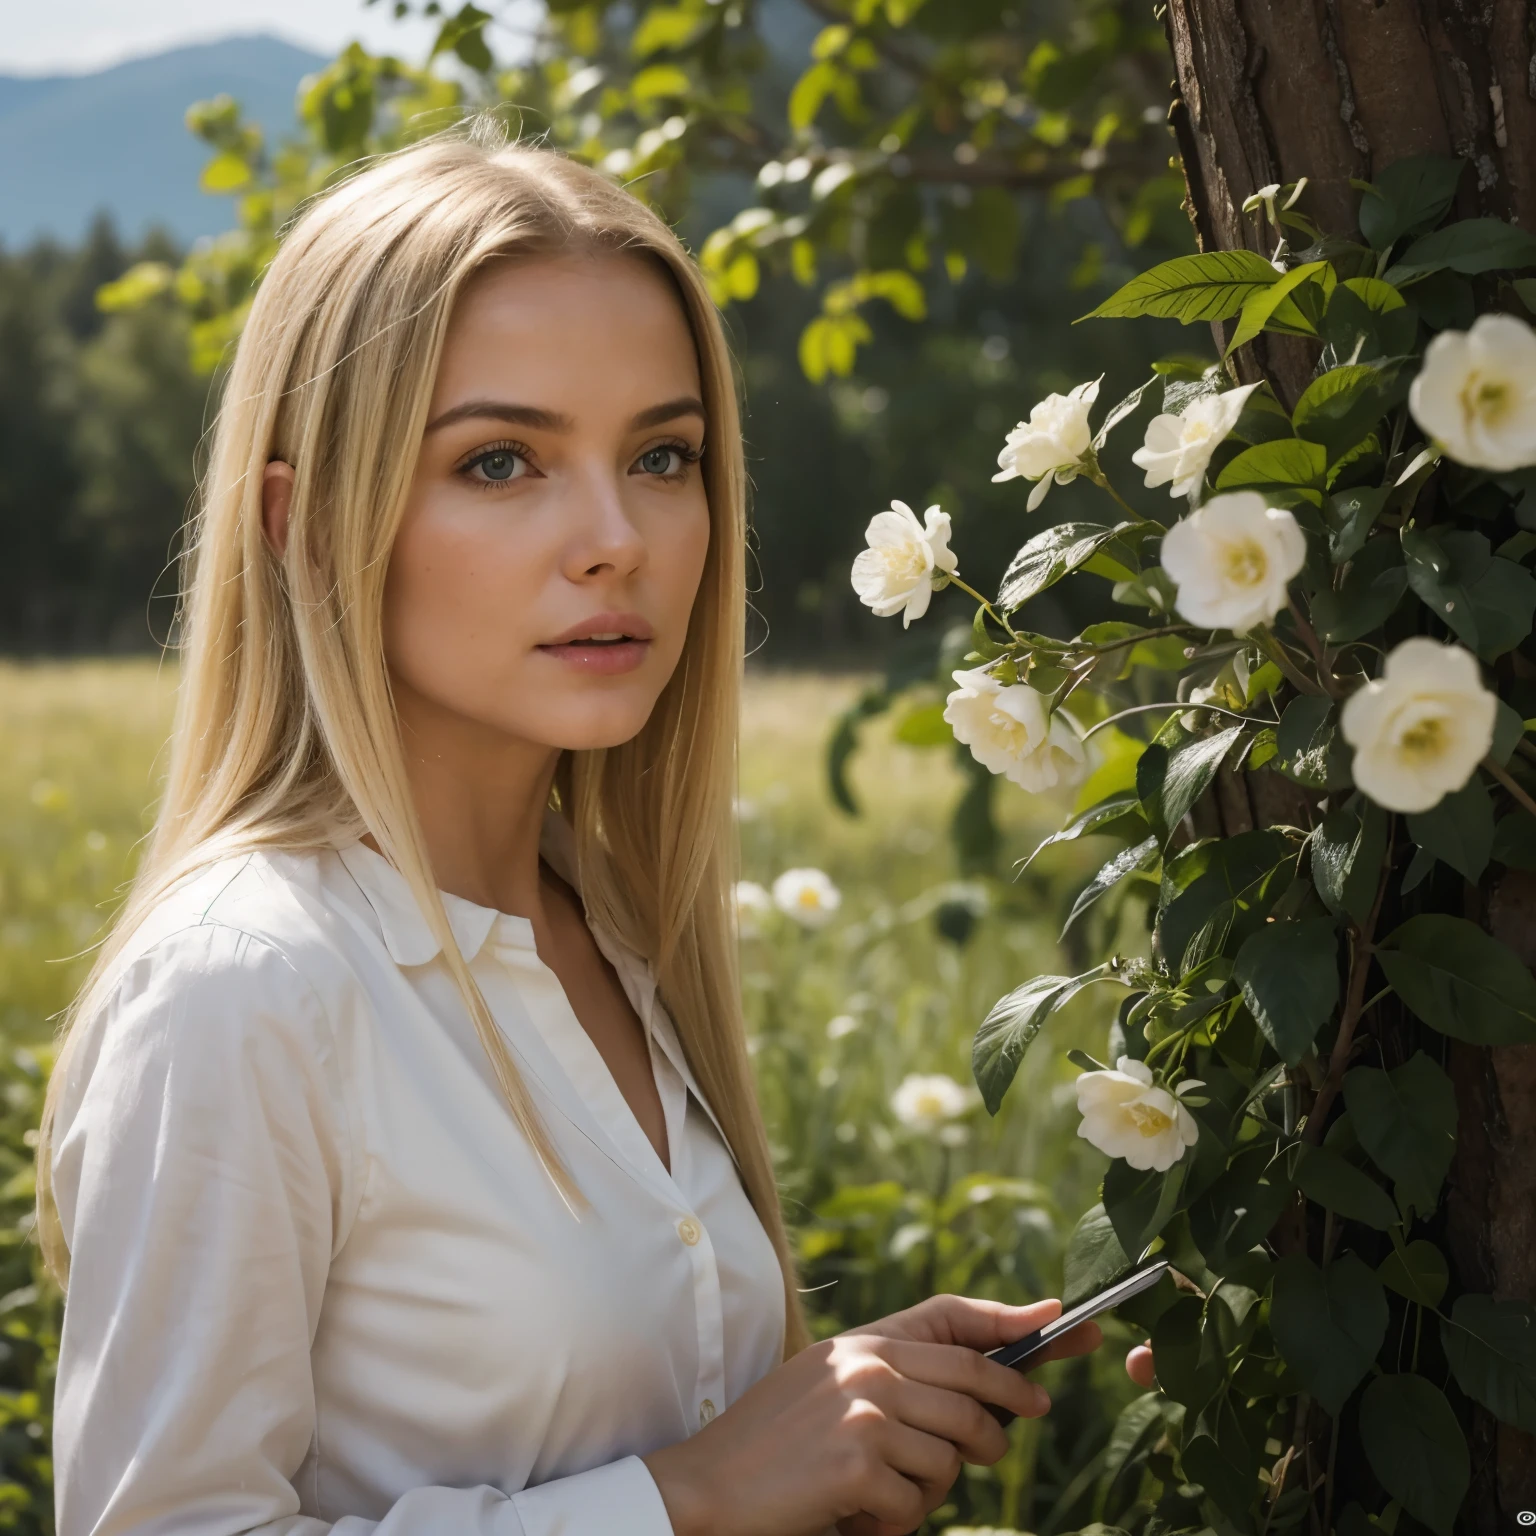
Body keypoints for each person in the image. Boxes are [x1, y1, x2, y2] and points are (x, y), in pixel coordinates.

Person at [37, 117, 1155, 1536]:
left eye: (664, 457)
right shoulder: (246, 987)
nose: (614, 535)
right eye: (501, 461)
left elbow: (636, 1432)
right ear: (304, 525)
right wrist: (693, 1495)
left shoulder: (611, 926)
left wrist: (831, 1412)